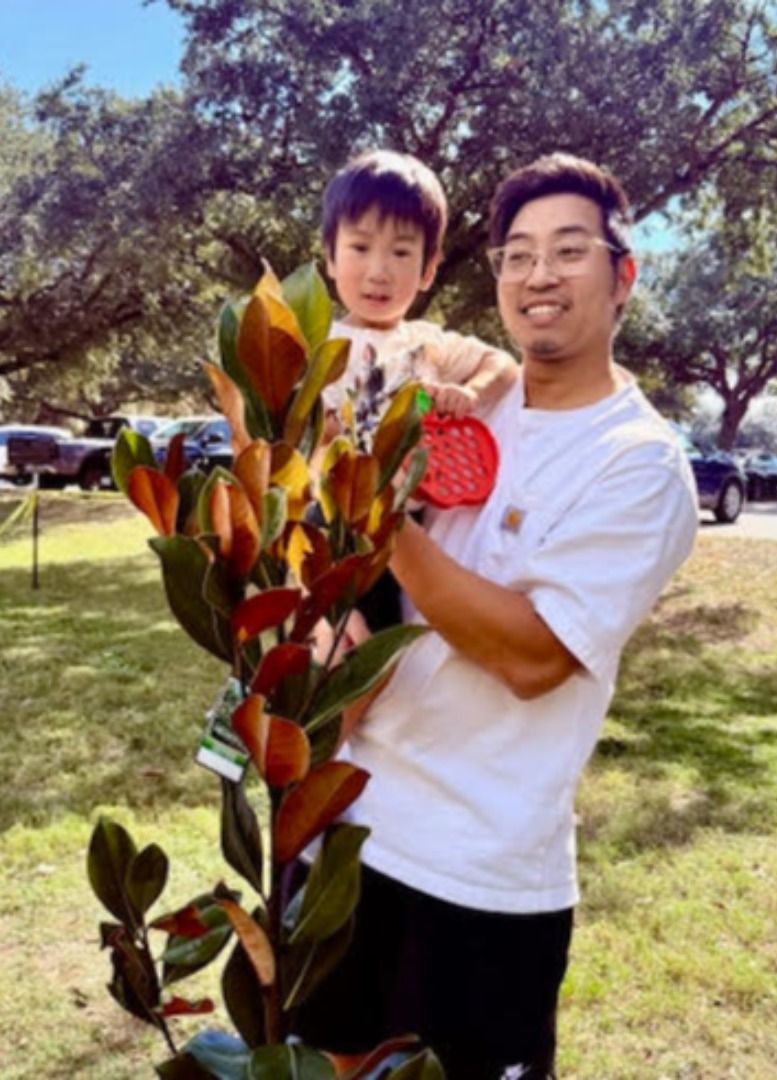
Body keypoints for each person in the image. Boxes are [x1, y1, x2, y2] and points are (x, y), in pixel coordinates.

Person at [296, 153, 699, 1078]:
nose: (538, 275)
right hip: (347, 834)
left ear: (622, 273)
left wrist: (378, 509)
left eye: (567, 251)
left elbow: (531, 657)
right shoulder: (455, 402)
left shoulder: (637, 463)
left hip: (481, 877)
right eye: (517, 255)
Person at [317, 149, 517, 431]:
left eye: (400, 253)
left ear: (428, 271)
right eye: (360, 248)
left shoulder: (427, 344)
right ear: (331, 259)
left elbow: (503, 364)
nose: (378, 273)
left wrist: (471, 392)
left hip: (422, 475)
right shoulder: (315, 345)